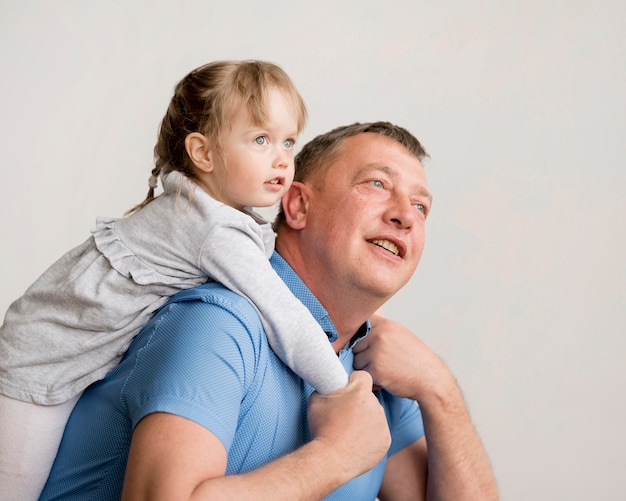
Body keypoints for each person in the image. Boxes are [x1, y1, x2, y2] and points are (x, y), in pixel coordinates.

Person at [40, 121, 499, 500]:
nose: (406, 215)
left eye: (421, 207)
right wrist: (336, 457)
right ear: (297, 205)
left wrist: (440, 391)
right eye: (376, 184)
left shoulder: (376, 369)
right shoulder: (216, 322)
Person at [0, 60, 349, 501]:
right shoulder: (212, 229)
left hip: (69, 352)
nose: (282, 158)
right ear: (202, 153)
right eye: (261, 139)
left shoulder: (210, 208)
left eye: (288, 141)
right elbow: (283, 316)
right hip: (39, 360)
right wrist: (343, 388)